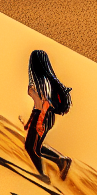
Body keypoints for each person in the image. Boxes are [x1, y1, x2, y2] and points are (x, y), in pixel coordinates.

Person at [24, 49, 72, 180]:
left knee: (30, 148)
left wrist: (39, 122)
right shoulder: (44, 80)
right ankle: (60, 160)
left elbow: (45, 103)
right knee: (36, 147)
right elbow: (38, 102)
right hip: (43, 115)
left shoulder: (41, 81)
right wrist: (30, 120)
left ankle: (42, 176)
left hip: (43, 115)